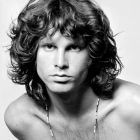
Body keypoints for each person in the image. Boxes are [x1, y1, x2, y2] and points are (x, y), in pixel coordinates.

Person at [4, 0, 140, 139]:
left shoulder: (134, 108)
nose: (60, 63)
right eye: (49, 46)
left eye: (74, 47)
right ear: (32, 53)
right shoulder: (20, 119)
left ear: (93, 54)